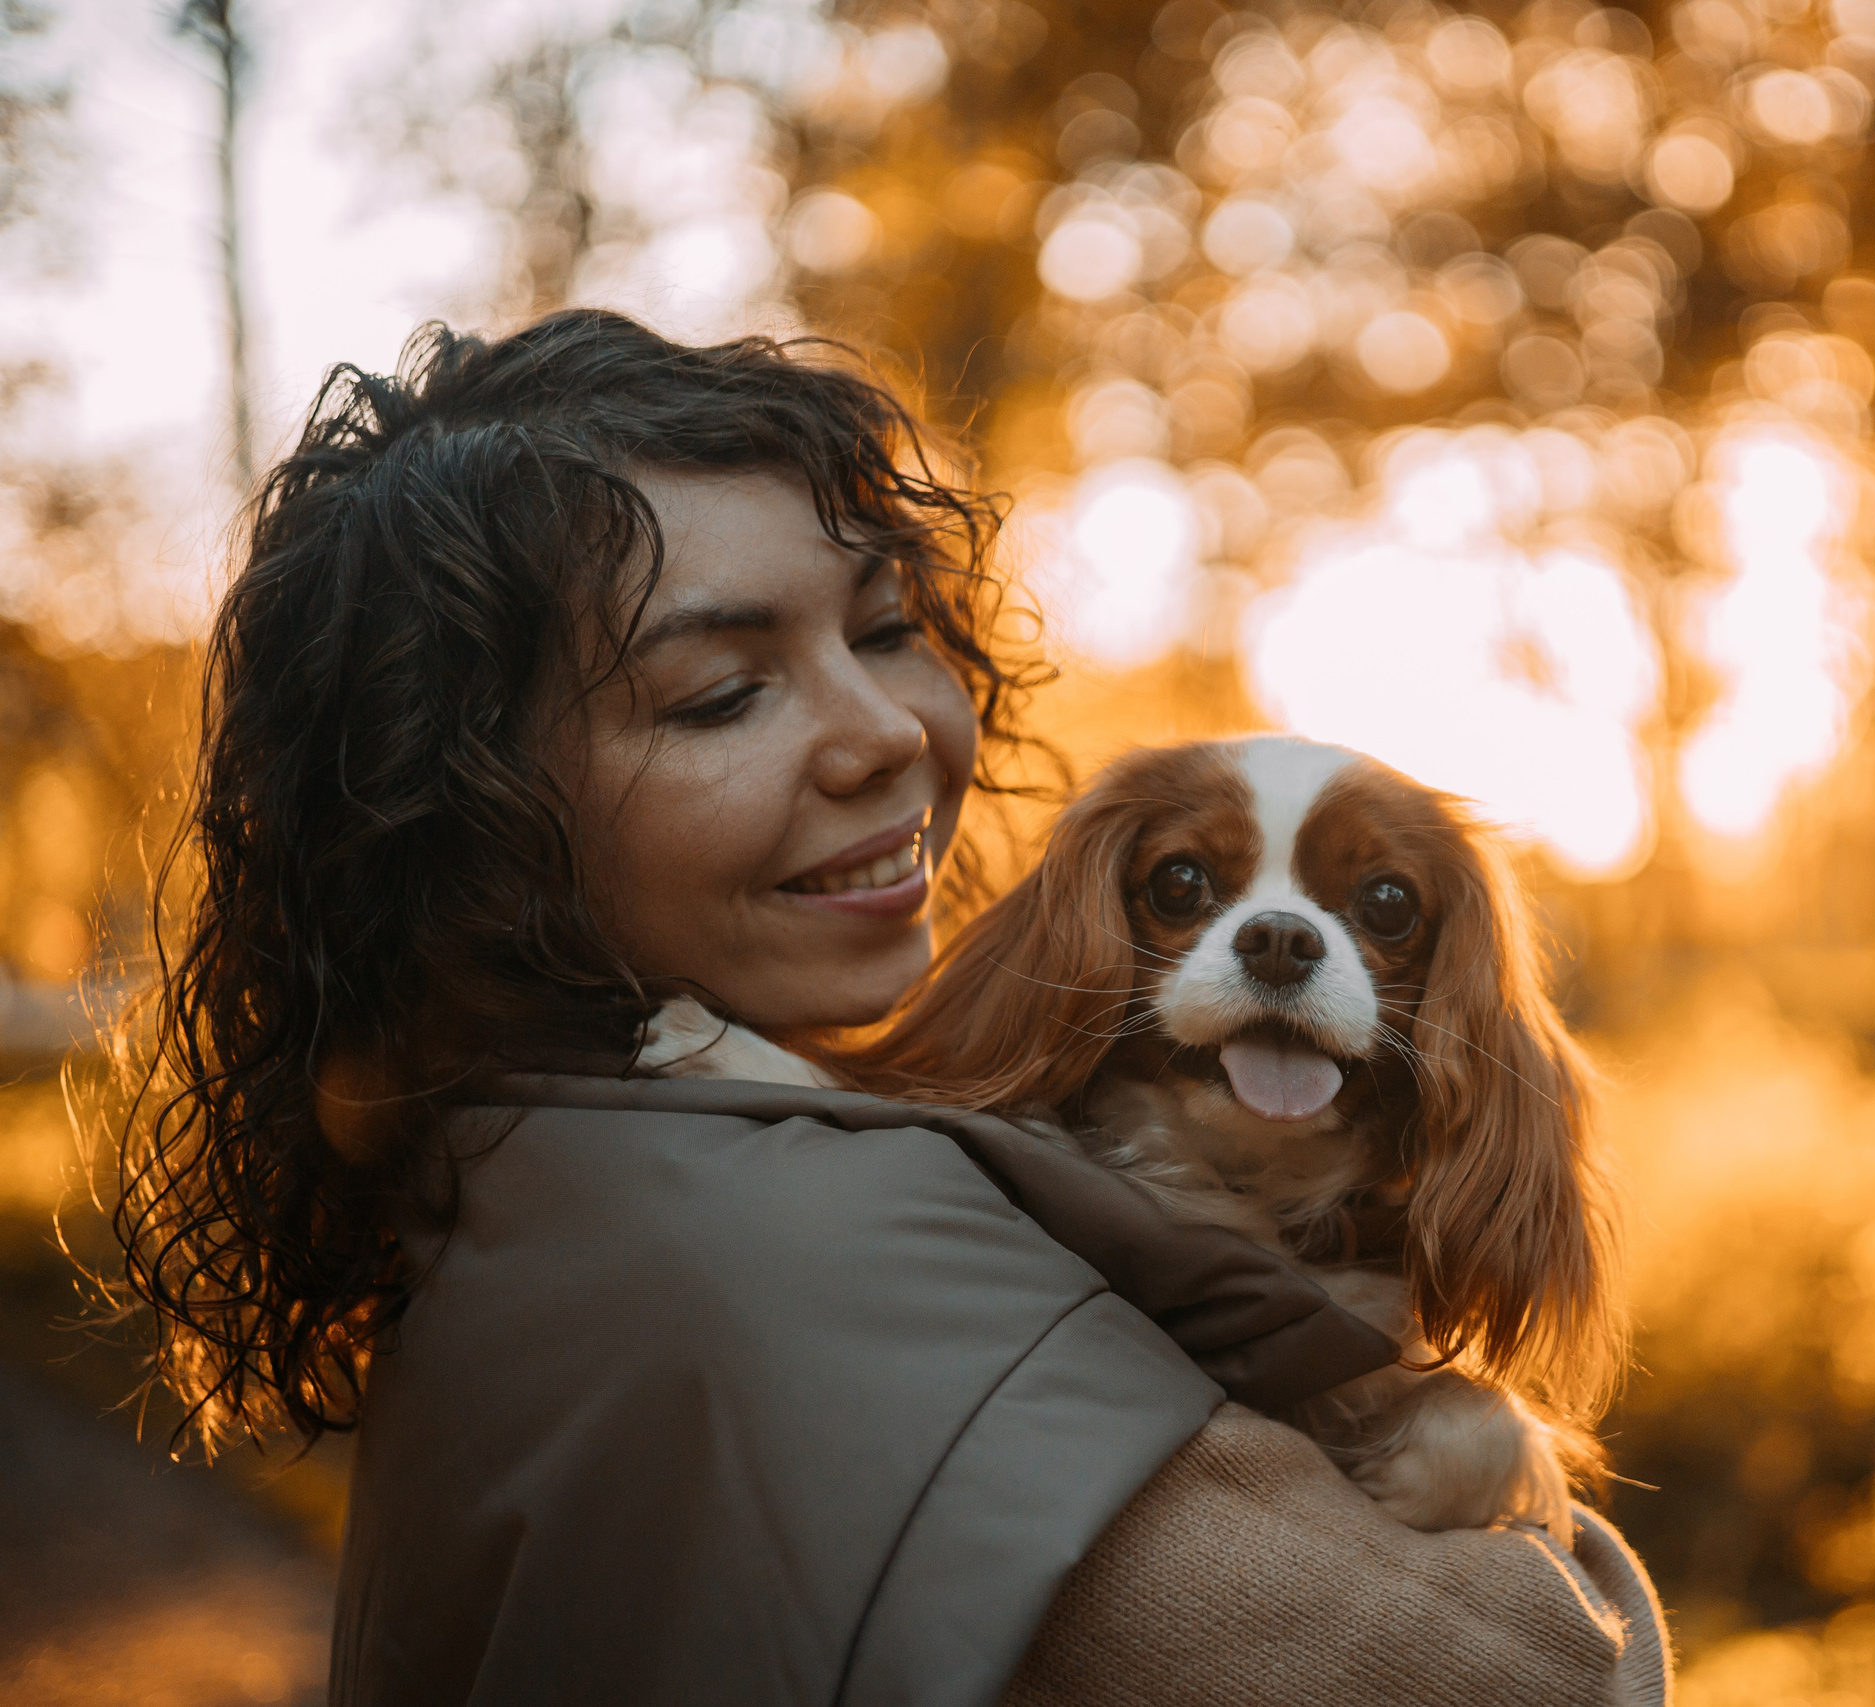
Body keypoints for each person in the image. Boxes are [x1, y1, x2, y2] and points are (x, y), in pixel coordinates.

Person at [108, 309, 1670, 1706]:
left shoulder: (516, 1180)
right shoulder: (801, 1249)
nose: (887, 738)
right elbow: (1544, 1678)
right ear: (466, 829)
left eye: (881, 629)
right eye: (722, 692)